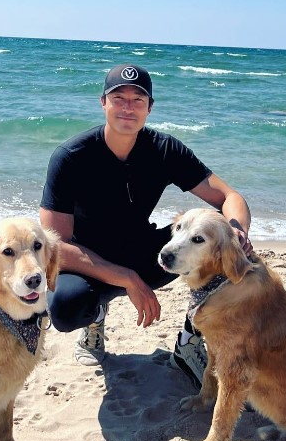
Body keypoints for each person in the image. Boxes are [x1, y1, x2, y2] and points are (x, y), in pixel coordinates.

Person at [39, 63, 252, 386]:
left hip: (143, 250)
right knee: (66, 308)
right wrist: (126, 278)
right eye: (118, 98)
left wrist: (237, 231)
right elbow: (55, 245)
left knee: (226, 253)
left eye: (137, 100)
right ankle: (94, 321)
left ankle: (189, 340)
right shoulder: (71, 157)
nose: (128, 107)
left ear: (149, 108)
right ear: (103, 103)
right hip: (86, 261)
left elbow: (229, 196)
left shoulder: (164, 150)